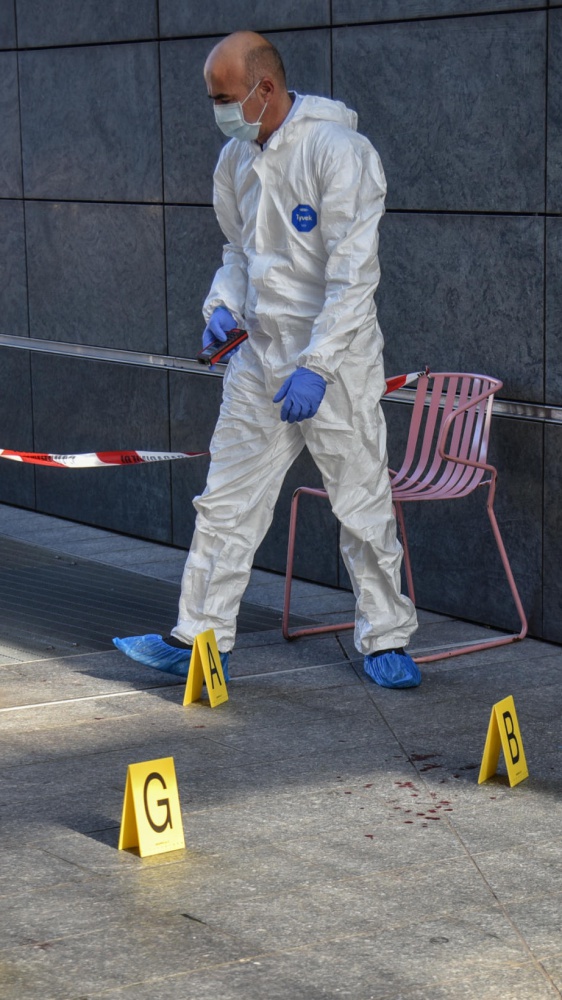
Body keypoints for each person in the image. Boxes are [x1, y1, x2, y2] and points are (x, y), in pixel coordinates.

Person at [114, 30, 420, 689]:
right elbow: (238, 253)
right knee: (226, 502)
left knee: (361, 504)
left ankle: (387, 636)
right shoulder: (235, 162)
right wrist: (220, 307)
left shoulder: (339, 152)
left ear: (267, 89)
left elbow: (353, 278)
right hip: (258, 359)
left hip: (334, 366)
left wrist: (320, 365)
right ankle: (197, 638)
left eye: (224, 97)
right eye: (213, 98)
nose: (218, 111)